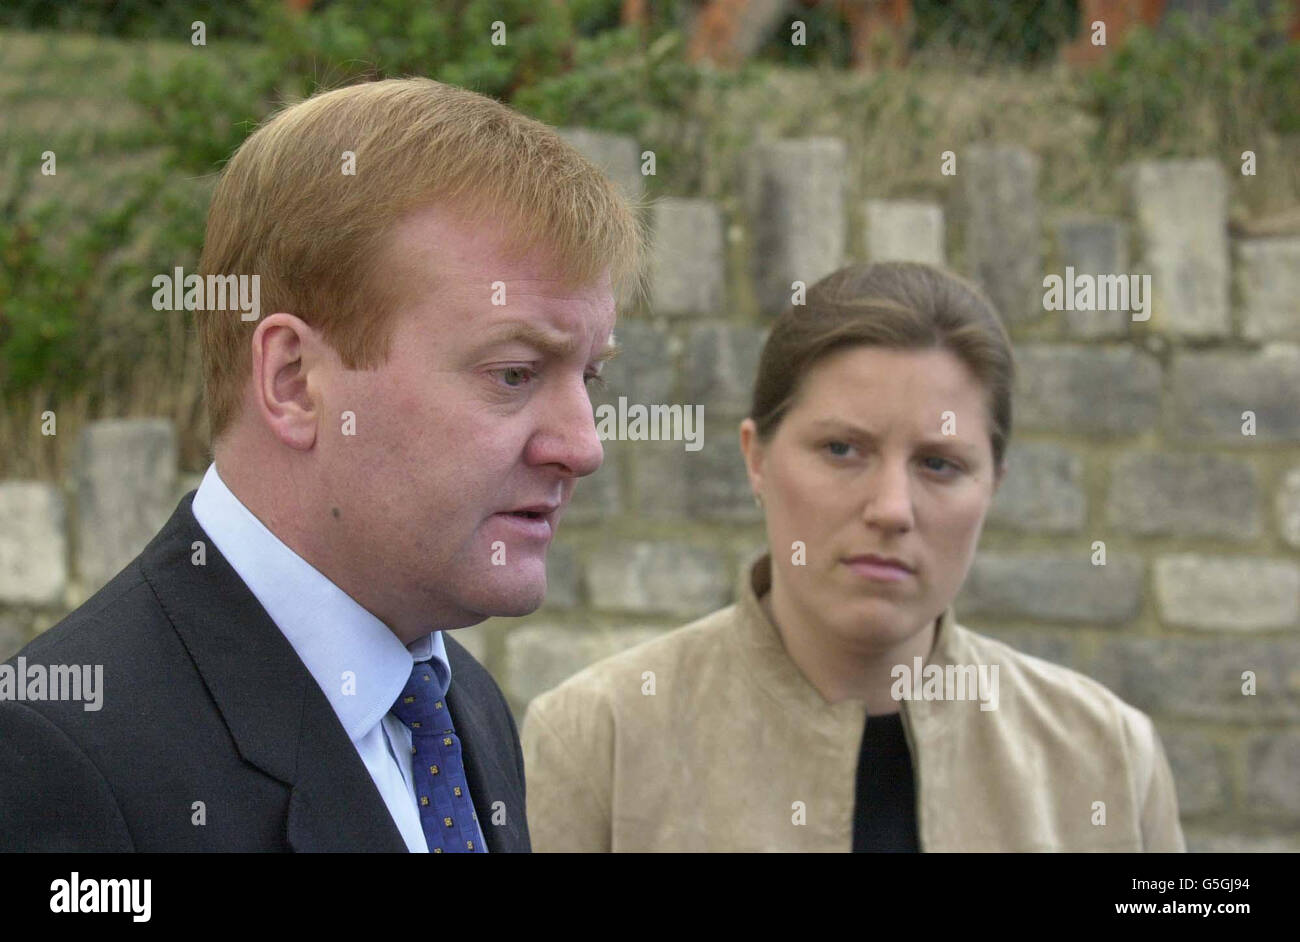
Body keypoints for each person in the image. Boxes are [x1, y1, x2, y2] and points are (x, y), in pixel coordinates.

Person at [0, 78, 644, 852]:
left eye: (591, 377)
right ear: (294, 381)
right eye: (513, 373)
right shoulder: (57, 762)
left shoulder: (458, 704)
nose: (584, 446)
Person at [521, 261, 1186, 852]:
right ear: (756, 457)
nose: (892, 508)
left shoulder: (1105, 755)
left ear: (994, 486)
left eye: (940, 464)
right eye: (843, 449)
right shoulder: (600, 739)